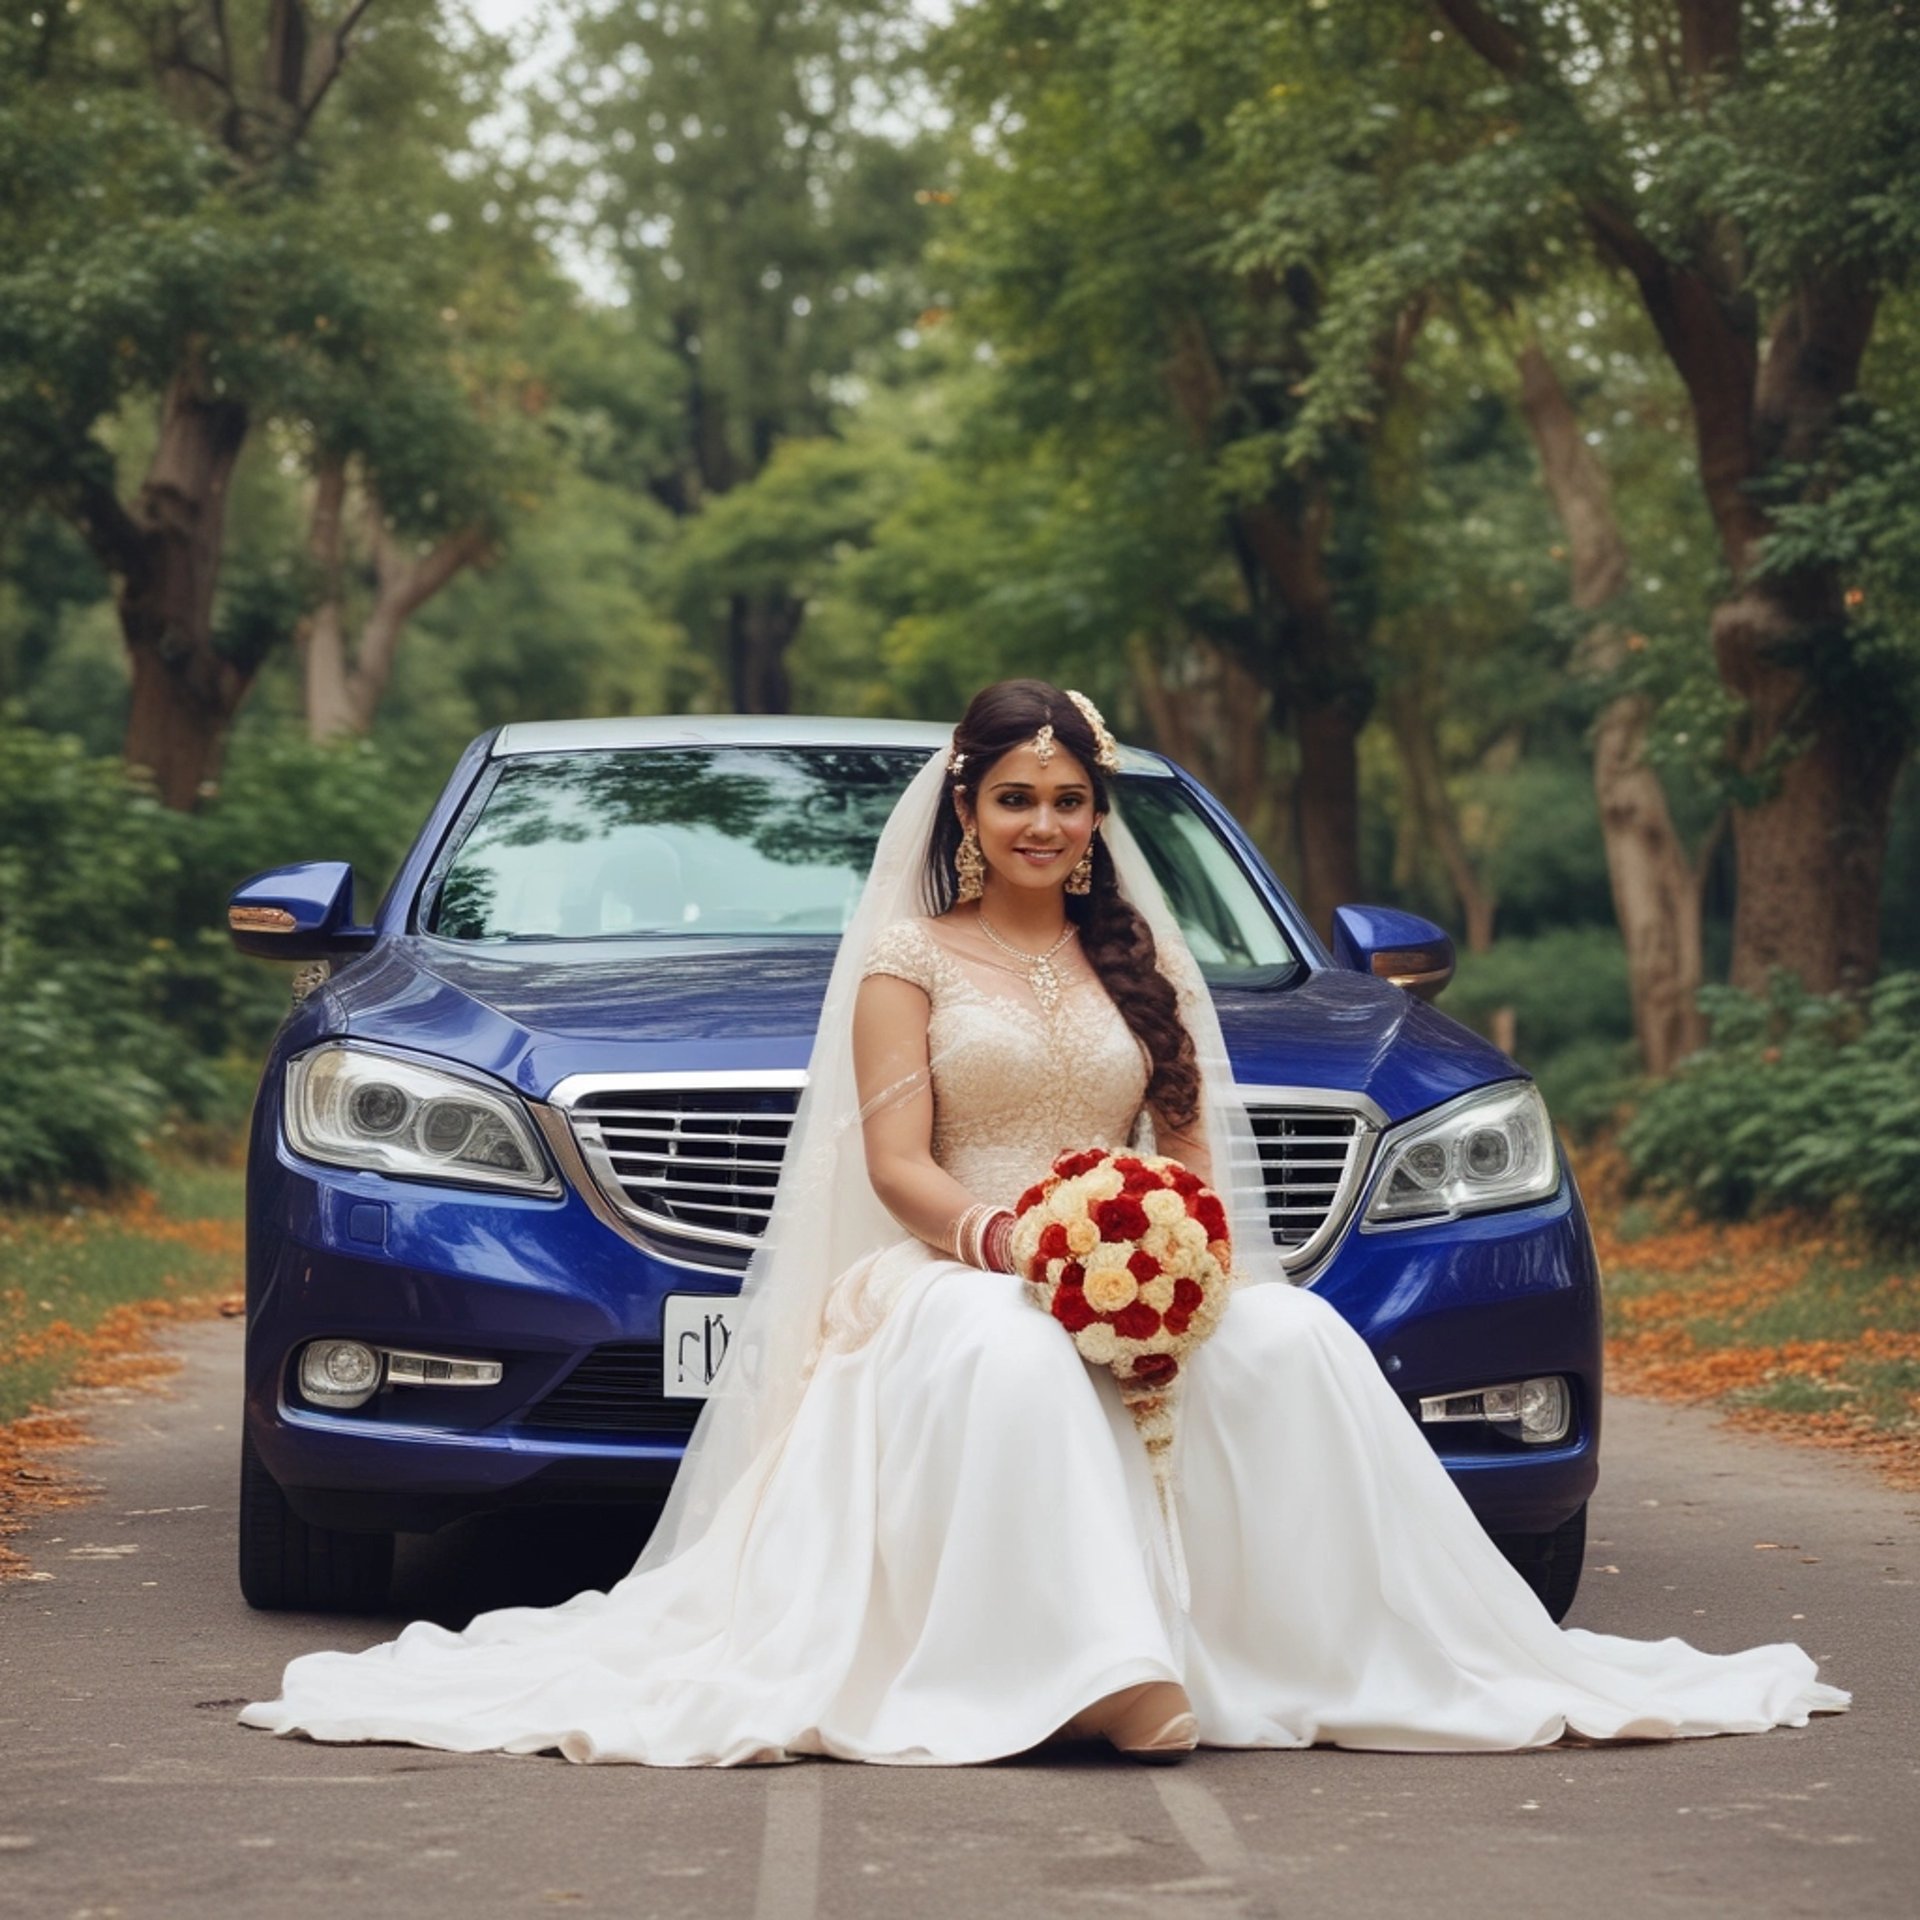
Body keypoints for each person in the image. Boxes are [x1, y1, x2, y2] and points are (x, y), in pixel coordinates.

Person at [240, 681, 1849, 1764]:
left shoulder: (1148, 963)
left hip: (1128, 1248)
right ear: (968, 808)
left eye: (1072, 801)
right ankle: (1090, 1678)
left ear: (1098, 818)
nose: (1048, 825)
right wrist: (1022, 1247)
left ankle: (1323, 1654)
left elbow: (1192, 1154)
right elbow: (900, 1174)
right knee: (1013, 1358)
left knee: (1291, 1336)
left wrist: (1176, 1249)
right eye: (1017, 799)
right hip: (948, 1264)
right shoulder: (904, 961)